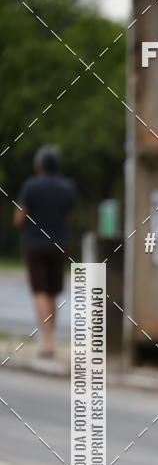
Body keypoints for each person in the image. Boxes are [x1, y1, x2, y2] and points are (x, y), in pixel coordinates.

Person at [13, 146, 76, 358]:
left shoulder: (30, 186)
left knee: (39, 291)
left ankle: (48, 341)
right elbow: (70, 216)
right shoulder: (67, 187)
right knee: (53, 292)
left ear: (38, 166)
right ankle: (51, 339)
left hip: (35, 244)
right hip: (59, 244)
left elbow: (19, 218)